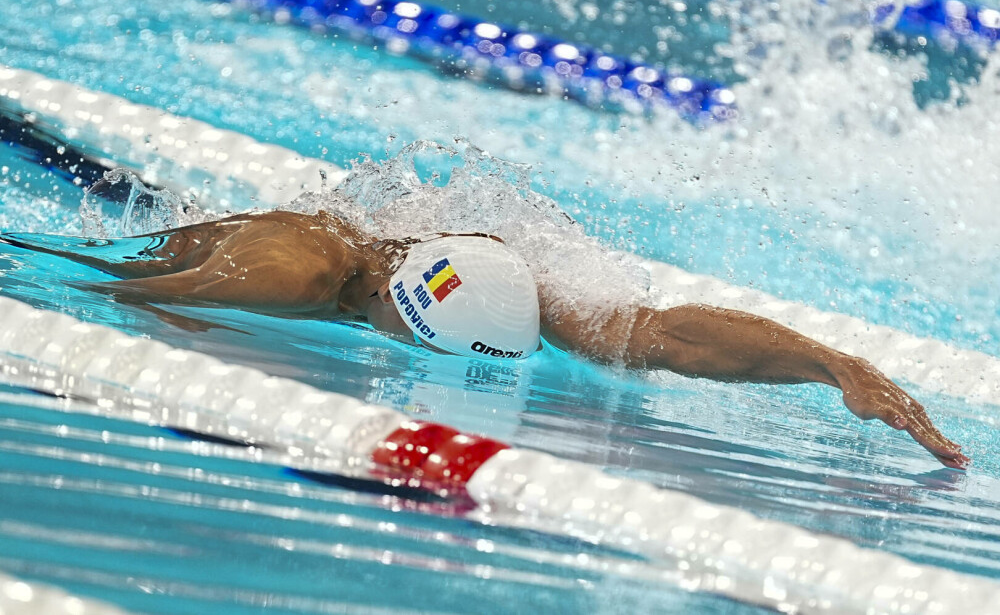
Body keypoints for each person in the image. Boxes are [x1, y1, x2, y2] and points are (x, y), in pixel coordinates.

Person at [0, 209, 969, 469]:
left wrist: (830, 363)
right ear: (389, 304)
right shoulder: (293, 272)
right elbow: (77, 277)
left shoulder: (520, 285)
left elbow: (659, 336)